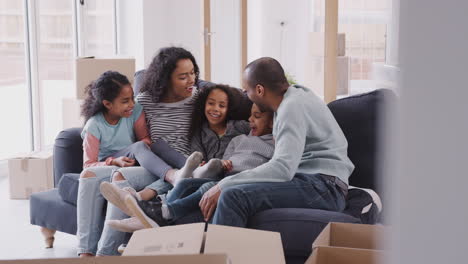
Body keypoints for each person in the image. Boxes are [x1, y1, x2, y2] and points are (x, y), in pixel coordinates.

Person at [94, 47, 251, 256]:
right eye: (183, 76)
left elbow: (225, 108)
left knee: (127, 190)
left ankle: (107, 252)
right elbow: (134, 137)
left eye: (193, 73)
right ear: (166, 78)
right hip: (157, 163)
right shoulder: (144, 101)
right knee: (119, 182)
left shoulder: (199, 98)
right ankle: (105, 253)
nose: (191, 80)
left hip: (190, 160)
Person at [196, 57, 355, 227]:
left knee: (231, 195)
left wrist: (223, 184)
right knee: (223, 189)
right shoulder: (294, 97)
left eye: (246, 90)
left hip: (324, 187)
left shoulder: (291, 107)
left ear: (259, 90)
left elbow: (282, 169)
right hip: (313, 181)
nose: (246, 96)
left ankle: (222, 253)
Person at [100, 84, 252, 231]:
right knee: (181, 177)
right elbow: (198, 155)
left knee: (184, 176)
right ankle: (145, 205)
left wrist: (249, 94)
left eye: (221, 105)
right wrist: (200, 166)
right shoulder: (199, 132)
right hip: (202, 172)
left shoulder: (238, 127)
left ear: (229, 109)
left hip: (222, 175)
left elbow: (257, 125)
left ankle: (142, 203)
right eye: (211, 104)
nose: (215, 109)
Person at [77, 70, 157, 257]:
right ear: (107, 104)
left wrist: (130, 156)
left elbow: (145, 141)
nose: (131, 104)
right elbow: (89, 164)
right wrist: (114, 161)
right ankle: (86, 253)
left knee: (111, 177)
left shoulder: (135, 111)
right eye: (125, 101)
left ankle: (103, 255)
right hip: (110, 166)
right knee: (87, 176)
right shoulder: (94, 125)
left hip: (136, 165)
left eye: (132, 98)